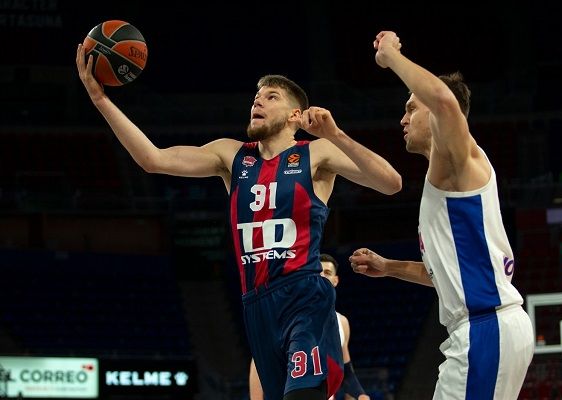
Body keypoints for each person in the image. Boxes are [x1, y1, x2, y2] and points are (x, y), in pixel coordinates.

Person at [76, 45, 401, 400]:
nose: (257, 102)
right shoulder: (231, 155)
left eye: (271, 97)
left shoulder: (315, 153)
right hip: (256, 305)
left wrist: (335, 135)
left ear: (295, 115)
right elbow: (152, 159)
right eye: (256, 97)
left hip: (304, 296)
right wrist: (100, 100)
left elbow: (390, 183)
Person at [349, 31, 534, 400]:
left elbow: (446, 103)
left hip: (484, 329)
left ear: (434, 113)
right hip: (490, 328)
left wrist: (391, 56)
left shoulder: (458, 159)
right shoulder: (446, 179)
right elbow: (446, 276)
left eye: (411, 108)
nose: (402, 119)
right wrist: (389, 267)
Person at [248, 253, 370, 400]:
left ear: (335, 280)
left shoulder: (342, 322)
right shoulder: (286, 316)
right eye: (318, 272)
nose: (322, 276)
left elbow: (346, 372)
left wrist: (361, 395)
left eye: (327, 273)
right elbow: (260, 363)